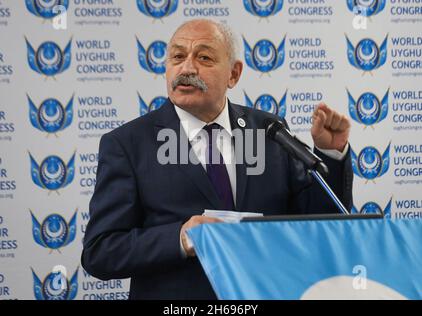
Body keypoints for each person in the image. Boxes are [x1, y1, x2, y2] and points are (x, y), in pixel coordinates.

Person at [81, 19, 353, 300]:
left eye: (204, 57)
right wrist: (180, 239)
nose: (186, 68)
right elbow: (100, 251)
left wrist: (330, 153)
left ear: (233, 74)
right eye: (177, 56)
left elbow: (321, 224)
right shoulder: (128, 144)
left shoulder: (269, 131)